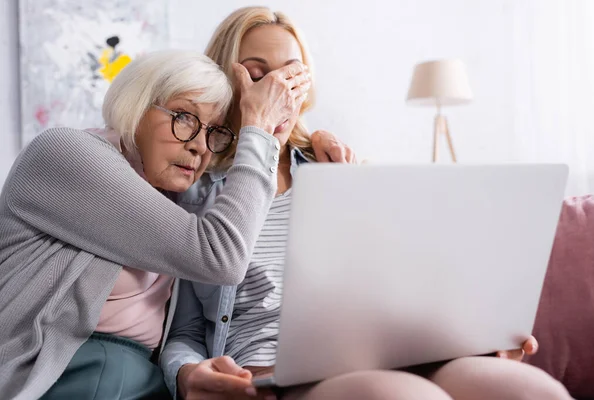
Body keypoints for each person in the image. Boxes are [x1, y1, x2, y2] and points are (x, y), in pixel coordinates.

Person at [161, 7, 571, 400]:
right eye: (257, 75)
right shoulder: (194, 190)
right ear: (225, 83)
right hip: (276, 371)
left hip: (396, 353)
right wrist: (184, 373)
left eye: (292, 74)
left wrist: (477, 332)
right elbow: (182, 329)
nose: (279, 90)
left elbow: (407, 282)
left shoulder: (337, 167)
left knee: (530, 390)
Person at [0, 49, 351, 400]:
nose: (200, 145)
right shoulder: (67, 152)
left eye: (215, 132)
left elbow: (188, 325)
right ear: (136, 105)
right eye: (184, 117)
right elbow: (220, 256)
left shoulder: (179, 196)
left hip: (145, 380)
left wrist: (307, 141)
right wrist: (260, 130)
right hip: (61, 373)